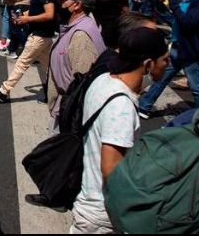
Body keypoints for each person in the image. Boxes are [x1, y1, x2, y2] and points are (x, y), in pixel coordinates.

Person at [70, 28, 169, 234]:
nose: (168, 65)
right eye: (165, 60)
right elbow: (111, 170)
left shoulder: (104, 79)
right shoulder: (121, 106)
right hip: (102, 214)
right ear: (148, 64)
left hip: (88, 201)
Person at [139, 0, 199, 118]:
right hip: (178, 48)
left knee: (197, 87)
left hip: (191, 52)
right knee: (161, 78)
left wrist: (174, 5)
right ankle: (144, 106)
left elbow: (188, 23)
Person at [48, 0, 107, 128]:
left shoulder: (81, 36)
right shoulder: (78, 26)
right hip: (64, 109)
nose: (59, 3)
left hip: (70, 114)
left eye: (64, 0)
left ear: (77, 5)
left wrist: (67, 115)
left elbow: (80, 84)